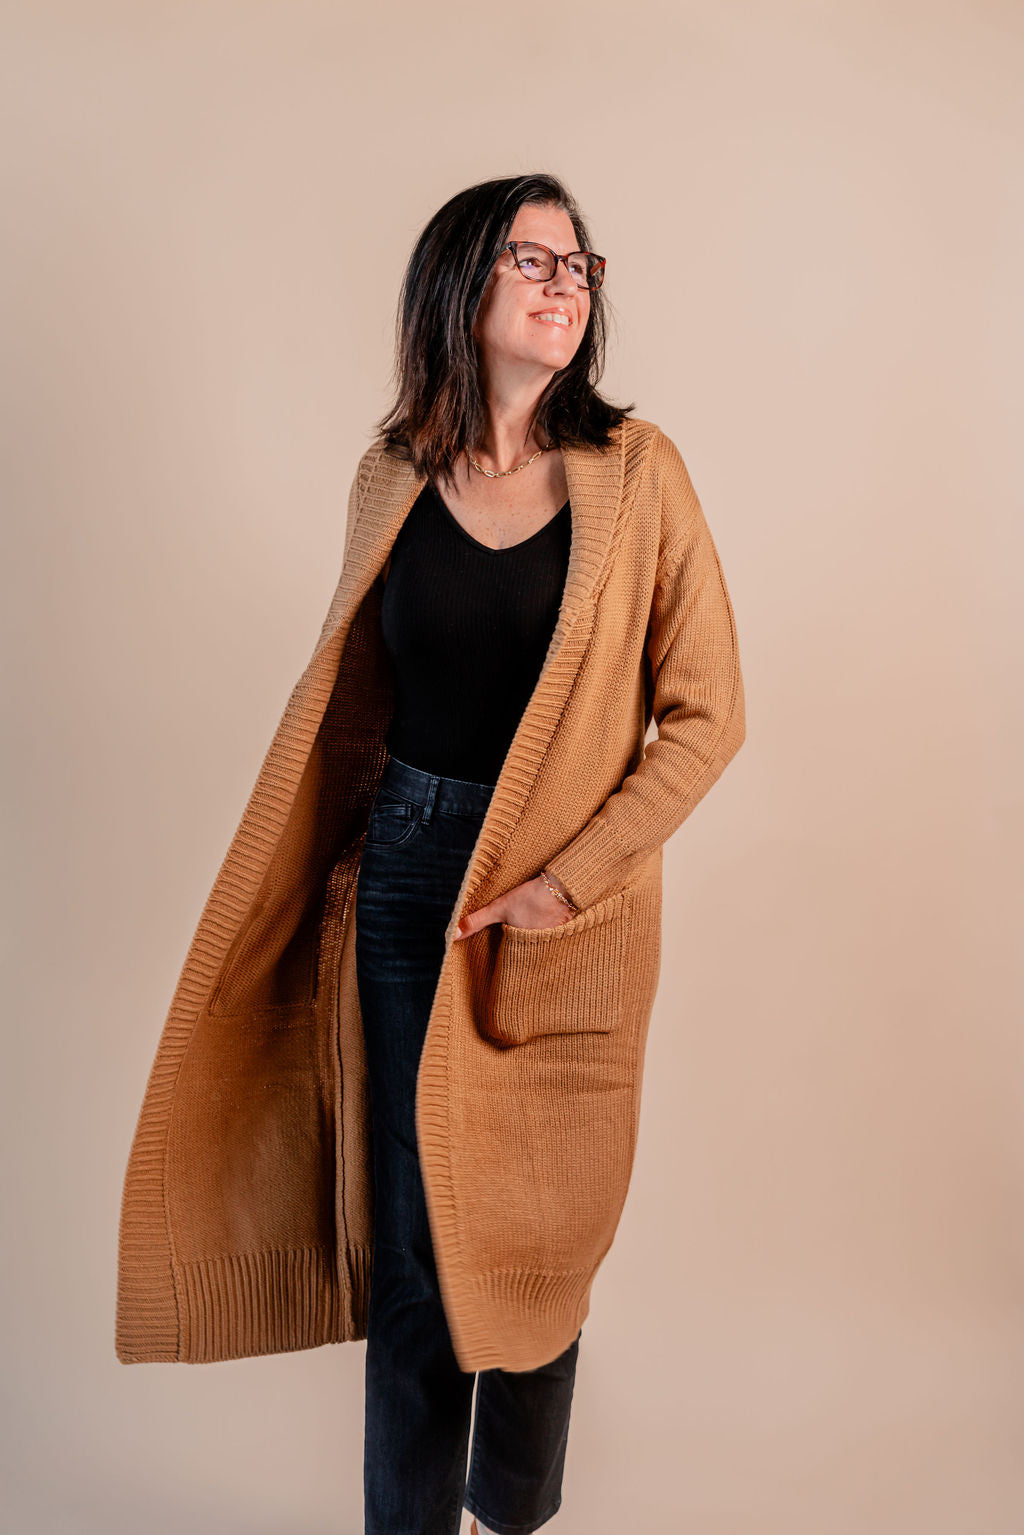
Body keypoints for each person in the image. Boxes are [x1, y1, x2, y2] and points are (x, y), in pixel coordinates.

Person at [115, 171, 745, 1535]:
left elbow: (709, 716)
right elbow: (353, 697)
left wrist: (569, 879)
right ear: (459, 283)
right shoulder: (391, 473)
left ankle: (511, 1513)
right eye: (534, 259)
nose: (566, 284)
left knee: (531, 1251)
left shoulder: (640, 476)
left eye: (580, 265)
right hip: (409, 882)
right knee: (412, 1247)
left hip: (567, 907)